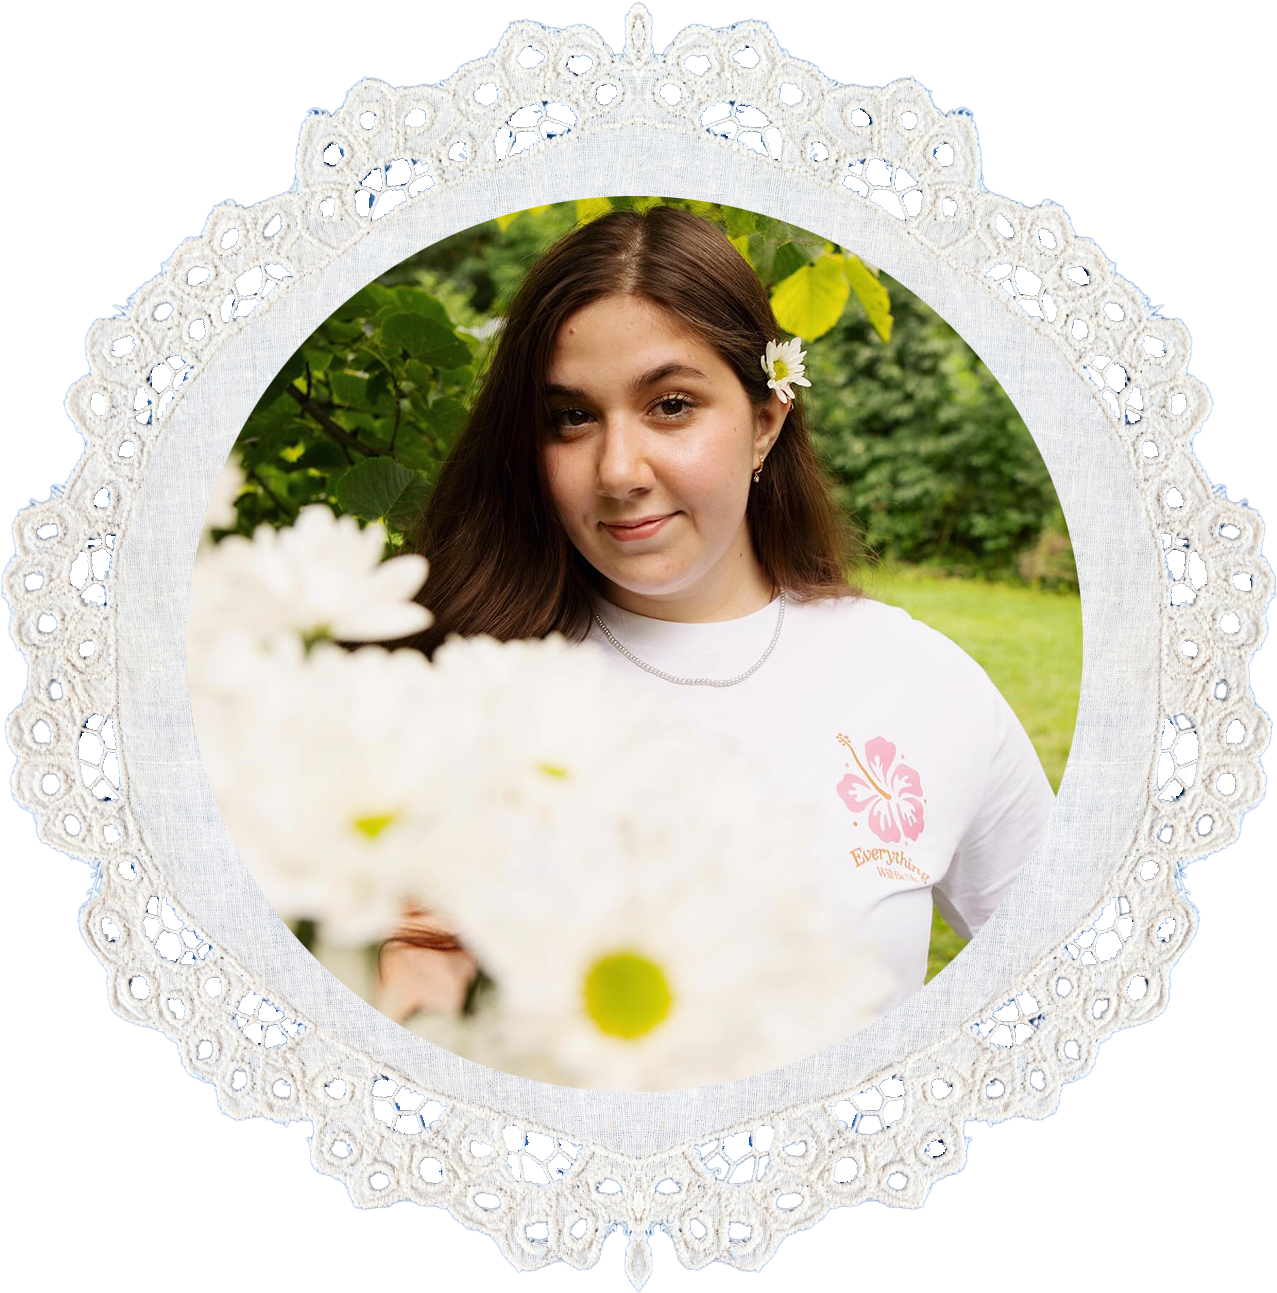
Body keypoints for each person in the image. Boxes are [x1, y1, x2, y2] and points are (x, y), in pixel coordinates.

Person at [372, 205, 1056, 1029]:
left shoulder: (923, 686)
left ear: (765, 422)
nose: (618, 471)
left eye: (670, 405)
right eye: (571, 417)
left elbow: (1071, 991)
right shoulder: (453, 698)